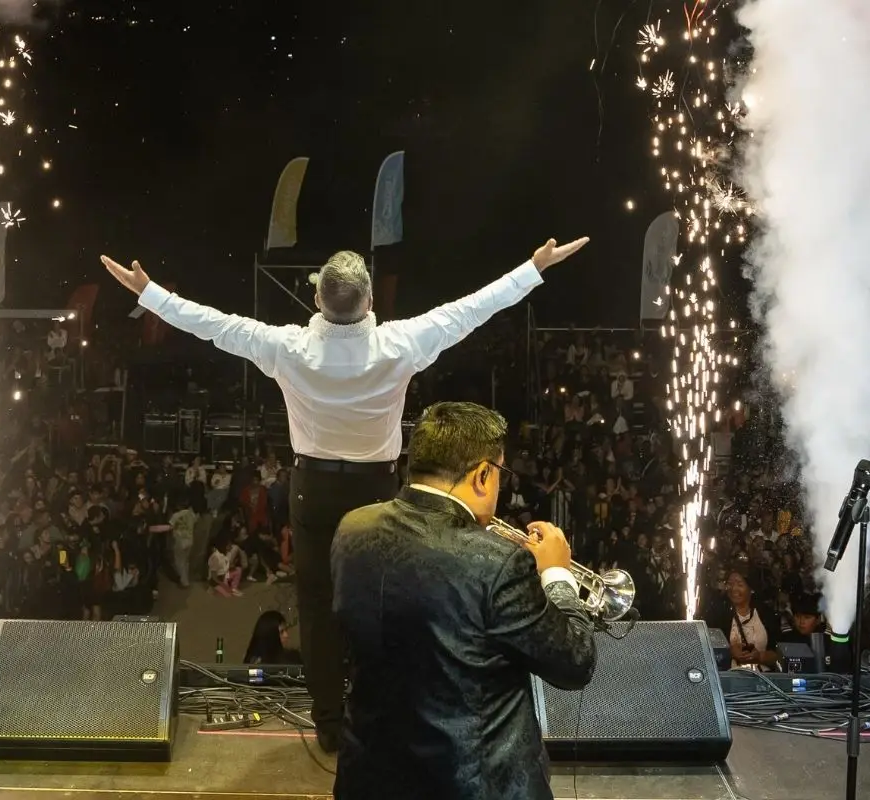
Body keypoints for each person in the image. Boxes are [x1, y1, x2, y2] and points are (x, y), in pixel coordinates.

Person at [102, 235, 589, 751]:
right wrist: (533, 268)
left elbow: (213, 326)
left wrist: (149, 292)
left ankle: (331, 726)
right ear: (371, 300)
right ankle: (378, 715)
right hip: (378, 488)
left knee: (316, 607)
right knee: (383, 601)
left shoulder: (286, 347)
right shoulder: (402, 343)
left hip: (312, 487)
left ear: (317, 300)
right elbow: (471, 310)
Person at [330, 402, 596, 800]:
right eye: (500, 473)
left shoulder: (352, 529)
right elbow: (575, 661)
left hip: (368, 778)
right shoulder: (500, 562)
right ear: (483, 474)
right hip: (475, 786)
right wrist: (555, 573)